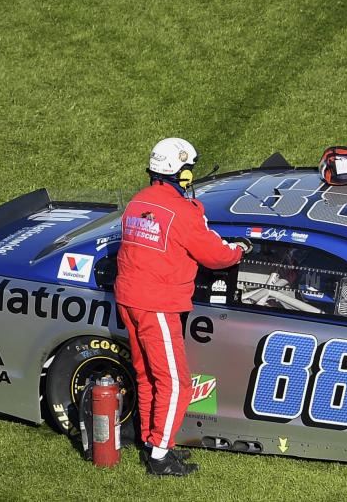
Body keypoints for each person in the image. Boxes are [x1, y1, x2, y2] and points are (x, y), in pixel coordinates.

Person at [114, 137, 250, 476]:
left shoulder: (137, 202)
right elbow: (215, 255)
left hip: (128, 298)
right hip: (156, 303)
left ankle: (150, 442)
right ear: (182, 173)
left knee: (147, 376)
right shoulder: (183, 212)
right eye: (190, 169)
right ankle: (160, 455)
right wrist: (240, 250)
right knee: (176, 383)